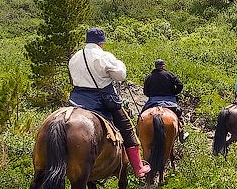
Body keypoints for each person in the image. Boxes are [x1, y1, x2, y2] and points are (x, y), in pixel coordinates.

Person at [68, 28, 150, 178]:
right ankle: (138, 168)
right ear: (101, 43)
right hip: (102, 99)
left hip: (78, 99)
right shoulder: (104, 56)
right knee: (127, 128)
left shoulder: (75, 57)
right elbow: (120, 75)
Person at [142, 59, 187, 142]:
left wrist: (151, 94)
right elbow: (180, 85)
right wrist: (174, 93)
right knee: (179, 115)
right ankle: (182, 134)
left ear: (155, 66)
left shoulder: (149, 77)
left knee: (142, 115)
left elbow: (145, 92)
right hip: (170, 101)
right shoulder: (169, 75)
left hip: (153, 101)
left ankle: (138, 132)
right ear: (163, 66)